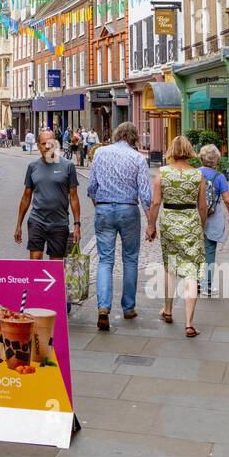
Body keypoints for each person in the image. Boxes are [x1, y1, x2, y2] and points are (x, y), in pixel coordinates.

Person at [87, 122, 153, 329]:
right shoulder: (138, 159)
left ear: (117, 135)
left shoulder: (100, 153)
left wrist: (99, 205)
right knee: (130, 259)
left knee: (105, 260)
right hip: (128, 210)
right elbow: (145, 195)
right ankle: (128, 307)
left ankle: (103, 307)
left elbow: (91, 187)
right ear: (134, 137)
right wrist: (151, 223)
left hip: (104, 209)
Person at [145, 135, 207, 337]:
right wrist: (201, 226)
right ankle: (189, 323)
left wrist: (151, 225)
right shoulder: (198, 176)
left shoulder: (163, 173)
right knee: (191, 271)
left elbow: (155, 203)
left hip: (170, 221)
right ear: (189, 151)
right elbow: (202, 206)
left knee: (170, 268)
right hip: (191, 222)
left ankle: (168, 310)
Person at [15, 129, 81, 260]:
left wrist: (77, 224)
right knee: (35, 261)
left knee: (55, 266)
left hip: (59, 223)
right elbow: (26, 197)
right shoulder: (33, 167)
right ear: (38, 145)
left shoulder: (68, 166)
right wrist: (19, 225)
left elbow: (74, 197)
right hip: (37, 220)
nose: (47, 146)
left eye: (50, 143)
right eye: (43, 143)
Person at [198, 144, 229, 296]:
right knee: (209, 251)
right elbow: (227, 200)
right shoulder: (219, 177)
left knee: (195, 250)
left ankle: (195, 284)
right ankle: (207, 285)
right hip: (213, 217)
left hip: (195, 216)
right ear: (215, 160)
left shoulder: (194, 174)